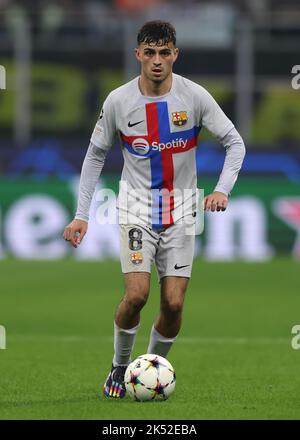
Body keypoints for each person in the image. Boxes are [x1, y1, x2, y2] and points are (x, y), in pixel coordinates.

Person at [63, 20, 246, 399]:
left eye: (165, 53)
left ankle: (147, 371)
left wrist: (222, 190)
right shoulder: (118, 100)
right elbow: (95, 155)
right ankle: (120, 366)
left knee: (174, 304)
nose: (157, 61)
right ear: (138, 55)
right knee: (137, 295)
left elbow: (235, 142)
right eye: (150, 52)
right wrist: (81, 214)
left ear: (175, 54)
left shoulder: (194, 97)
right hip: (136, 208)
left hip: (181, 211)